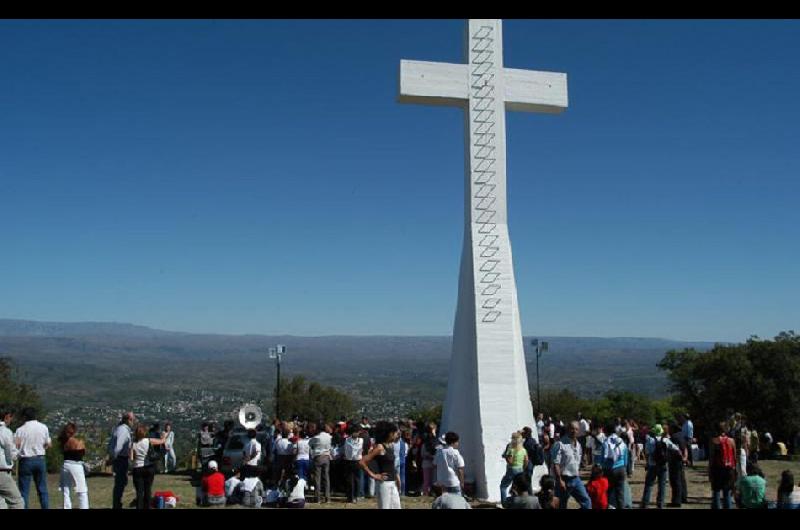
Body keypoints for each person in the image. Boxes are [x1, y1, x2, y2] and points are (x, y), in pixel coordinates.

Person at [13, 407, 51, 509]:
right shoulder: (43, 427)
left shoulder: (20, 430)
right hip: (40, 458)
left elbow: (16, 446)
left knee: (24, 491)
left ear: (24, 417)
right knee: (42, 489)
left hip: (26, 460)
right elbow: (48, 444)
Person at [360, 421, 402, 509]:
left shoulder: (390, 446)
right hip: (384, 484)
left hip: (393, 482)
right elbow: (362, 461)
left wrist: (397, 477)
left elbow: (391, 465)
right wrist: (374, 475)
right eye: (394, 433)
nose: (396, 435)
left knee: (397, 507)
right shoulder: (380, 447)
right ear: (389, 434)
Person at [552, 421, 592, 509]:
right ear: (567, 429)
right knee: (561, 505)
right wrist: (559, 480)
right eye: (572, 428)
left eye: (576, 429)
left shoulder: (579, 445)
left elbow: (577, 462)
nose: (574, 431)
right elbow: (556, 463)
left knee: (587, 502)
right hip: (563, 480)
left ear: (579, 431)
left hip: (576, 479)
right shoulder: (559, 444)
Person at [130, 423, 167, 509]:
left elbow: (131, 458)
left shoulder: (133, 444)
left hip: (137, 468)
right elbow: (162, 441)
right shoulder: (148, 441)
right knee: (147, 490)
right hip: (148, 467)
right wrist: (164, 436)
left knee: (139, 492)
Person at [640, 423, 673, 509]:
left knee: (649, 485)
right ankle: (660, 504)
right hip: (662, 465)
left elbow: (647, 453)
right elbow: (674, 448)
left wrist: (647, 462)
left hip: (652, 464)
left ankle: (645, 504)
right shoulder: (666, 440)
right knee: (662, 486)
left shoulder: (650, 440)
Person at [58, 422, 89, 509]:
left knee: (66, 490)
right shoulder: (75, 442)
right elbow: (82, 452)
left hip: (65, 465)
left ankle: (66, 507)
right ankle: (84, 507)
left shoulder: (64, 442)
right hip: (76, 465)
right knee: (82, 490)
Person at [108, 411, 135, 509]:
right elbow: (118, 446)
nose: (133, 422)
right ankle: (117, 504)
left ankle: (117, 503)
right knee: (120, 483)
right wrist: (113, 458)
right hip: (120, 459)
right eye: (132, 420)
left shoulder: (119, 429)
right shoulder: (123, 430)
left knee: (121, 482)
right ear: (128, 420)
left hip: (120, 458)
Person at [707, 421, 736, 509]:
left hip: (717, 469)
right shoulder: (731, 441)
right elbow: (734, 456)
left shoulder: (714, 441)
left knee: (716, 491)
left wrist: (709, 470)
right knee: (727, 492)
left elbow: (711, 458)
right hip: (729, 469)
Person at [0, 404, 24, 510]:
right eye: (11, 417)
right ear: (7, 416)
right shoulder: (5, 431)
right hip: (2, 472)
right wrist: (17, 446)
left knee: (1, 503)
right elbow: (10, 453)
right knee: (17, 501)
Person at [602, 421, 628, 510]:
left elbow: (603, 458)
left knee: (607, 493)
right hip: (621, 469)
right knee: (620, 493)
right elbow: (625, 455)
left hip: (609, 469)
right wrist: (625, 467)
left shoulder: (606, 441)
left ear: (606, 432)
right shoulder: (621, 441)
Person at [499, 431, 528, 505]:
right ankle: (519, 503)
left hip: (512, 469)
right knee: (517, 486)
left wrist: (506, 457)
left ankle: (505, 504)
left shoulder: (511, 449)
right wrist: (523, 467)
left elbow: (510, 461)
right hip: (520, 469)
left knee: (503, 486)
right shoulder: (523, 450)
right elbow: (526, 460)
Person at [309, 422, 333, 503]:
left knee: (317, 478)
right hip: (326, 456)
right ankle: (327, 497)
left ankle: (317, 498)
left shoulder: (316, 437)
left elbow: (310, 444)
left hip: (318, 457)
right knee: (326, 478)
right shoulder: (329, 436)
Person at [667, 422, 688, 506]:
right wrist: (685, 457)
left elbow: (675, 450)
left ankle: (676, 501)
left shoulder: (673, 437)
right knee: (682, 479)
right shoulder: (682, 436)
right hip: (681, 460)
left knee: (675, 481)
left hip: (675, 461)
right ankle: (684, 497)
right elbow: (685, 448)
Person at [344, 424, 363, 503]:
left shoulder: (360, 440)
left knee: (357, 479)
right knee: (350, 480)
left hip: (357, 461)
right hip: (350, 461)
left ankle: (357, 496)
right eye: (355, 432)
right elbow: (347, 451)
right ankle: (351, 497)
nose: (357, 434)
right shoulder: (347, 440)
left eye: (358, 432)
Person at [421, 422, 439, 496]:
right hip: (427, 463)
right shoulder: (426, 441)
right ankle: (426, 493)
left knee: (433, 479)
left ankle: (431, 492)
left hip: (433, 463)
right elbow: (423, 454)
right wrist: (430, 456)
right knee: (427, 480)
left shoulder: (435, 440)